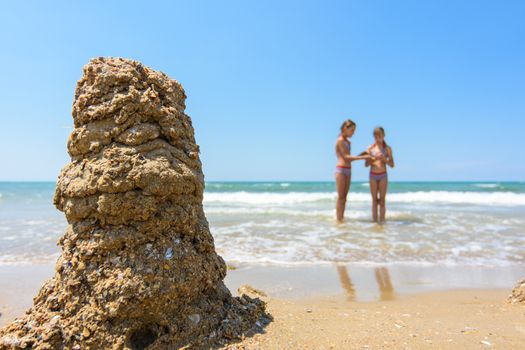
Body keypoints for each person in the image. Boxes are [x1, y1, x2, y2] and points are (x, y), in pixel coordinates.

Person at [335, 119, 371, 222]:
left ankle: (341, 218)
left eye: (354, 131)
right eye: (352, 130)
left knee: (345, 198)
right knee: (341, 197)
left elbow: (351, 158)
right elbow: (346, 157)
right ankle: (339, 220)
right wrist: (363, 157)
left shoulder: (348, 142)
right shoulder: (340, 140)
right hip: (341, 170)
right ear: (345, 128)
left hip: (348, 169)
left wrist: (363, 154)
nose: (353, 133)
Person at [365, 127, 395, 223]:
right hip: (373, 175)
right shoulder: (370, 148)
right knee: (374, 201)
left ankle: (382, 222)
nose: (378, 139)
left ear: (384, 136)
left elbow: (392, 165)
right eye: (376, 136)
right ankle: (374, 222)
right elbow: (366, 164)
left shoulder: (387, 149)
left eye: (380, 136)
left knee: (382, 201)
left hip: (383, 176)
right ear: (374, 137)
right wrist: (374, 158)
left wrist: (384, 160)